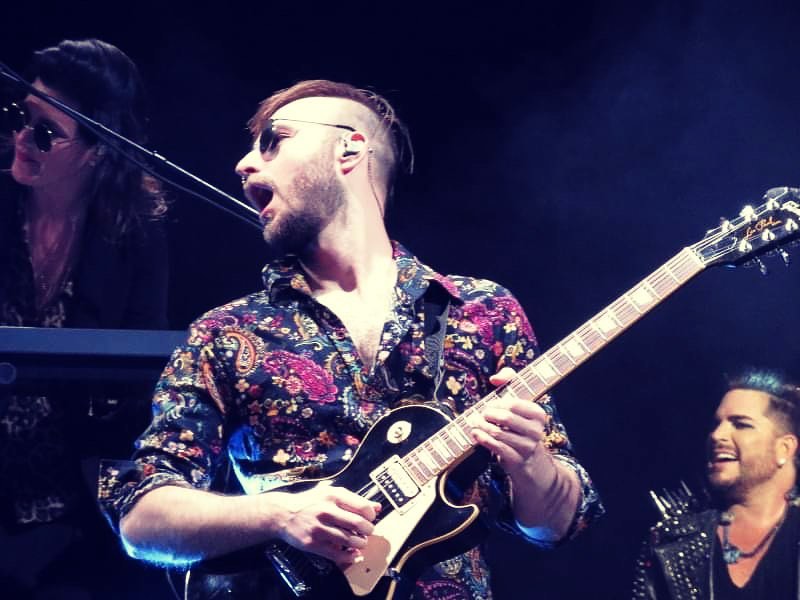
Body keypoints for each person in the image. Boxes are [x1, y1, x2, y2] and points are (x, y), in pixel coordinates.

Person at [100, 79, 603, 600]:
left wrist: (530, 461)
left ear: (349, 149)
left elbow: (559, 524)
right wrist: (280, 514)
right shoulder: (227, 332)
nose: (244, 164)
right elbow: (142, 519)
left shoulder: (483, 310)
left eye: (273, 141)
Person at [0, 39, 169, 598]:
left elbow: (141, 371)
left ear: (97, 150)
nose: (22, 139)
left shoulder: (135, 233)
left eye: (46, 132)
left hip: (71, 504)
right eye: (20, 117)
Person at [633, 368, 800, 599]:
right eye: (715, 424)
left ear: (784, 448)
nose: (716, 435)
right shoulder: (669, 541)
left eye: (741, 424)